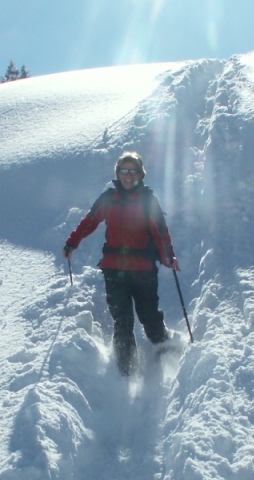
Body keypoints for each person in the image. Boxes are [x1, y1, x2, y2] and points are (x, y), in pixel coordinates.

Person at [63, 151, 181, 376]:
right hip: (114, 270)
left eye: (133, 171)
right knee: (122, 320)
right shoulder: (108, 198)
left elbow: (161, 232)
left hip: (143, 270)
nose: (128, 176)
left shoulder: (148, 200)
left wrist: (168, 257)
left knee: (149, 315)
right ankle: (125, 370)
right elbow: (89, 222)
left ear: (140, 174)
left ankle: (163, 347)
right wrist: (72, 243)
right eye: (124, 171)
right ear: (117, 173)